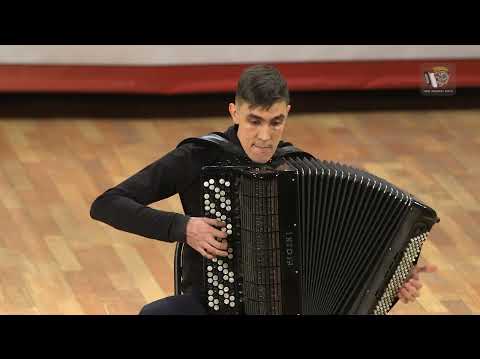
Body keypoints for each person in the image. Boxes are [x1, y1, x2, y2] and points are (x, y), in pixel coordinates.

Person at [90, 64, 436, 315]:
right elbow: (107, 204)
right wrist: (183, 227)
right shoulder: (199, 157)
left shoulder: (299, 168)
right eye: (254, 121)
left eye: (276, 122)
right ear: (234, 112)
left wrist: (393, 279)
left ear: (287, 114)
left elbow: (343, 256)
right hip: (213, 306)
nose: (265, 136)